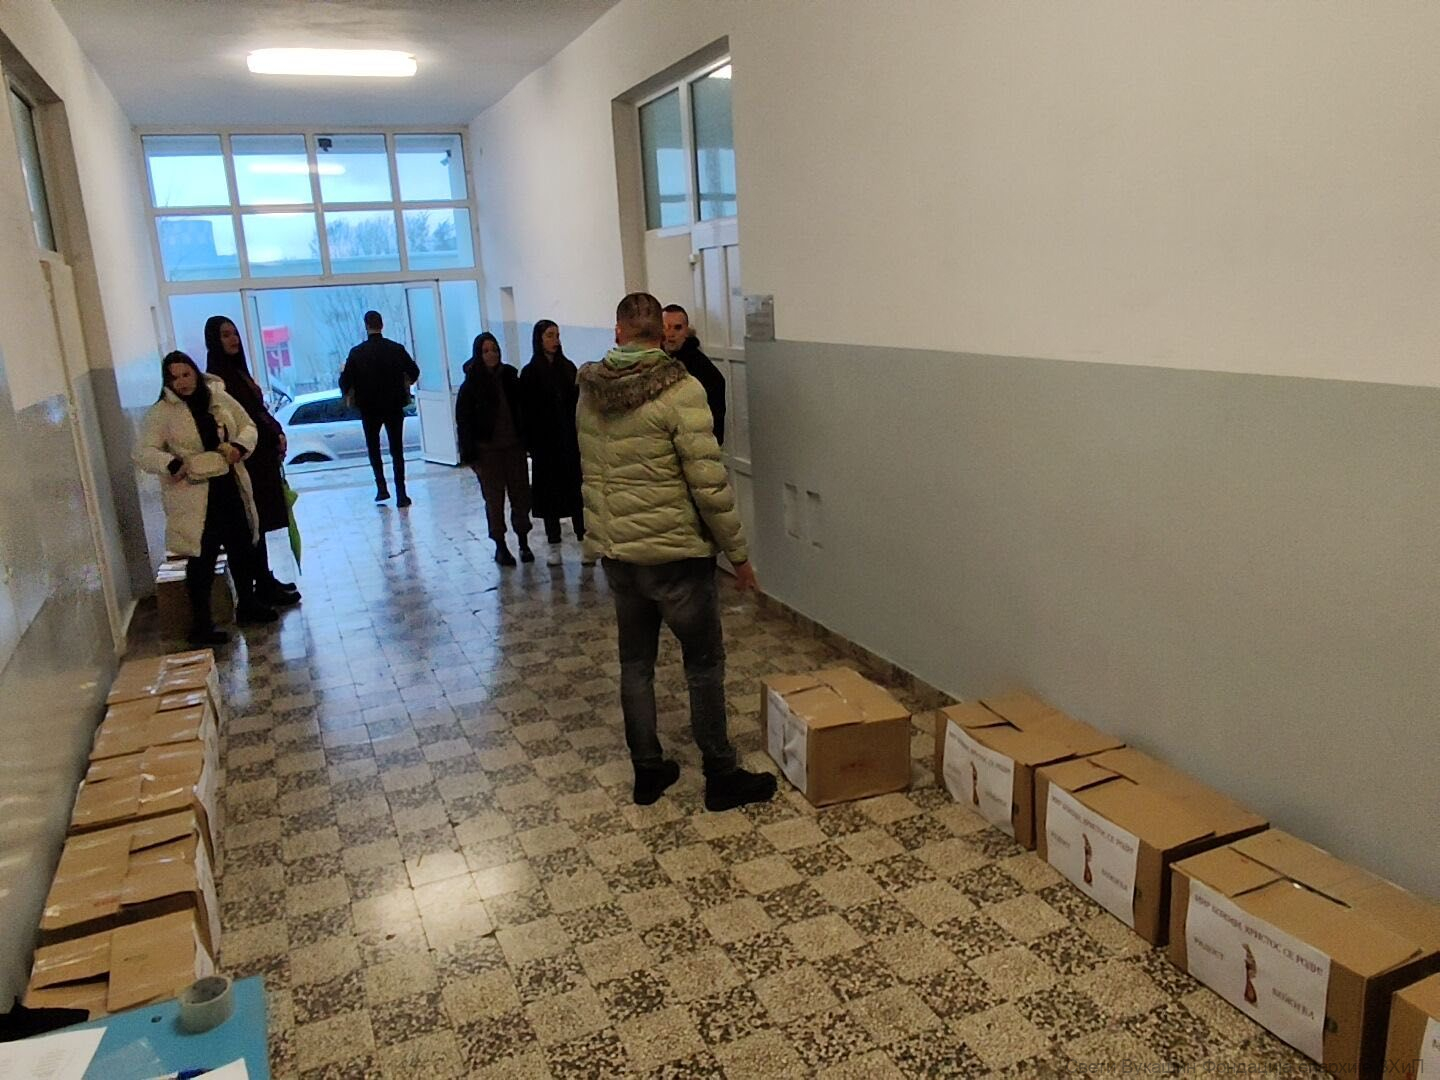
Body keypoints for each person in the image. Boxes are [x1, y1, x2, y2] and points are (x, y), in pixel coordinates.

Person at [577, 292, 775, 812]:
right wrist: (738, 557)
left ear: (618, 332)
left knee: (635, 664)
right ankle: (721, 774)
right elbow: (709, 484)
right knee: (703, 665)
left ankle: (648, 772)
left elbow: (593, 470)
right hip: (677, 558)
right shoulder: (682, 390)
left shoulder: (589, 393)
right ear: (660, 335)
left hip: (620, 555)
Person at [136, 351, 278, 645]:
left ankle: (247, 604)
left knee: (241, 545)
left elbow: (247, 425)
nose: (182, 382)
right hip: (193, 492)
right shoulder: (162, 413)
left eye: (186, 374)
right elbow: (143, 451)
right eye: (174, 378)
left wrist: (239, 446)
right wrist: (171, 463)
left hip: (228, 482)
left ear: (195, 372)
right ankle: (201, 625)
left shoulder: (218, 398)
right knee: (202, 557)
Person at [203, 316, 301, 607]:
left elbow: (258, 411)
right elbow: (245, 419)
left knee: (261, 524)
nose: (233, 339)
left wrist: (276, 434)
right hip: (247, 463)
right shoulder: (219, 380)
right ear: (214, 341)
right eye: (225, 335)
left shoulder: (237, 372)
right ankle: (258, 587)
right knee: (252, 525)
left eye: (234, 333)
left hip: (262, 460)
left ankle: (265, 579)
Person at [456, 332, 533, 566]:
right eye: (486, 351)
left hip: (513, 448)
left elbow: (522, 410)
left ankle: (523, 541)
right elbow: (464, 423)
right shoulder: (471, 386)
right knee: (494, 500)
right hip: (487, 452)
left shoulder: (510, 378)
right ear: (478, 354)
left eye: (495, 350)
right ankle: (500, 545)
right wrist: (471, 457)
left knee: (521, 496)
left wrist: (525, 440)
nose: (492, 355)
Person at [519, 320, 586, 566]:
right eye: (549, 335)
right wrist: (530, 442)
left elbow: (577, 403)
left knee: (576, 492)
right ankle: (554, 543)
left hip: (568, 442)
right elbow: (525, 410)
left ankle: (583, 539)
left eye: (557, 335)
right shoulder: (530, 372)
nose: (555, 340)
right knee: (549, 496)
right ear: (539, 339)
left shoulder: (568, 368)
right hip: (545, 445)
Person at [339, 310, 420, 507]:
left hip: (369, 408)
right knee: (397, 450)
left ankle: (381, 488)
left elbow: (345, 381)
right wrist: (404, 382)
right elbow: (414, 371)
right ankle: (401, 494)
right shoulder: (396, 349)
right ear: (382, 325)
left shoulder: (357, 353)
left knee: (374, 448)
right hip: (393, 405)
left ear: (366, 326)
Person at [661, 304, 727, 445]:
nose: (671, 334)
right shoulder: (651, 359)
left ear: (686, 331)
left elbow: (715, 416)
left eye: (677, 328)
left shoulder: (701, 368)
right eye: (666, 327)